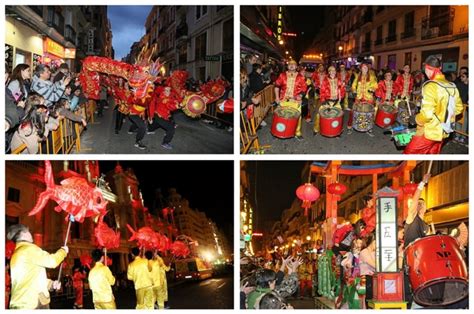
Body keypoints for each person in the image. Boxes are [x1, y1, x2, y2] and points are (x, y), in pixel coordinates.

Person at [404, 56, 464, 154]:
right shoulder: (452, 85)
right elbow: (459, 109)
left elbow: (427, 115)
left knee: (409, 155)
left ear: (428, 69)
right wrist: (444, 116)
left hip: (429, 132)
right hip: (444, 131)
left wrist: (414, 119)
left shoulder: (430, 86)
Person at [7, 224, 67, 309]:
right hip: (32, 304)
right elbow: (52, 261)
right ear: (24, 234)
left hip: (21, 303)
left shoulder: (16, 254)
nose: (31, 234)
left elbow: (31, 278)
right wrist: (63, 251)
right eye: (29, 232)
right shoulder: (29, 249)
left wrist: (51, 284)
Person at [274, 60, 308, 140]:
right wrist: (277, 98)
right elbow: (276, 86)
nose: (291, 65)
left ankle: (297, 133)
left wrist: (300, 95)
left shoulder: (300, 77)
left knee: (297, 117)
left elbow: (304, 88)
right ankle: (279, 131)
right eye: (290, 64)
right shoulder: (282, 75)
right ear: (287, 66)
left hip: (295, 101)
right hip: (283, 100)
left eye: (294, 64)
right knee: (281, 116)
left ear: (296, 67)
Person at [147, 85, 182, 150]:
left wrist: (180, 100)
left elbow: (174, 100)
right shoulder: (163, 98)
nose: (167, 92)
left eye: (168, 90)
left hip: (164, 115)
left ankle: (150, 129)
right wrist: (178, 105)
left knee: (158, 124)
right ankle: (165, 143)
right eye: (166, 90)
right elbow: (169, 106)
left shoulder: (170, 96)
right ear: (163, 91)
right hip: (159, 115)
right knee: (171, 128)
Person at [314, 65, 345, 134]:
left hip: (336, 101)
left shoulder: (339, 80)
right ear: (329, 72)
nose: (333, 72)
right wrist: (323, 101)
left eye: (334, 70)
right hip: (327, 101)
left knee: (339, 116)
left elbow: (342, 90)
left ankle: (337, 130)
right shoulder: (325, 80)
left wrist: (341, 97)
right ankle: (316, 129)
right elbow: (322, 91)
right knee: (319, 115)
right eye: (331, 70)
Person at [349, 63, 377, 135]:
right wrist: (354, 90)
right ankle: (351, 126)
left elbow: (375, 85)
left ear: (368, 69)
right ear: (361, 69)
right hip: (359, 97)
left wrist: (372, 89)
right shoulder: (358, 76)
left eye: (366, 68)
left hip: (368, 97)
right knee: (353, 111)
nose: (365, 69)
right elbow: (353, 85)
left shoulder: (372, 76)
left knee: (369, 113)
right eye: (363, 68)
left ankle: (369, 128)